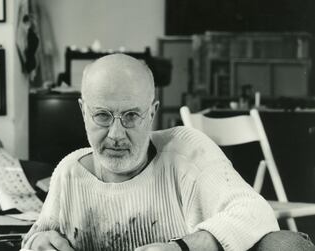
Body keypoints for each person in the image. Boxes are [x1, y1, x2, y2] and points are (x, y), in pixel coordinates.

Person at [22, 54, 314, 251]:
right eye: (102, 115)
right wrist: (40, 242)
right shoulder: (70, 172)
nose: (116, 134)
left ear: (153, 113)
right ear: (83, 112)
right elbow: (35, 238)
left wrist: (182, 248)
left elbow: (256, 213)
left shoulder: (186, 148)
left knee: (286, 244)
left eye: (132, 115)